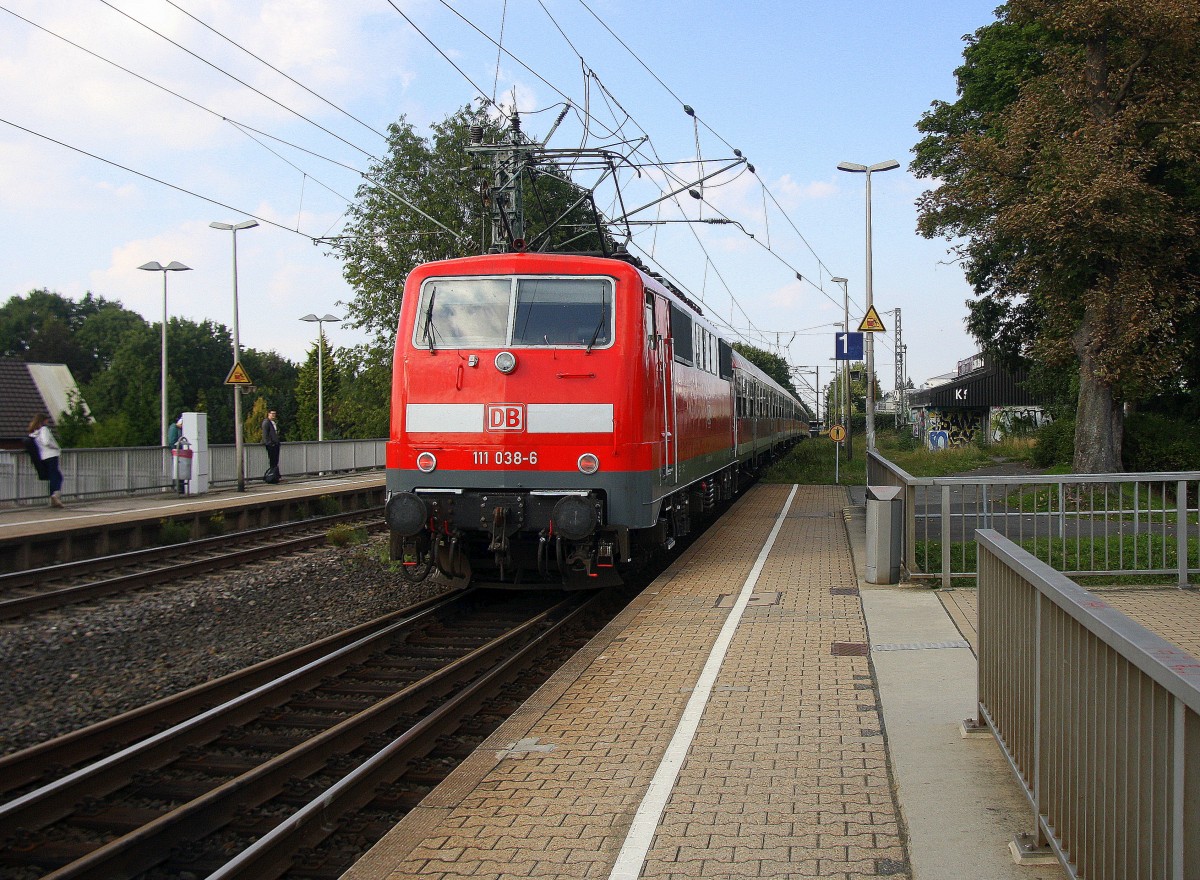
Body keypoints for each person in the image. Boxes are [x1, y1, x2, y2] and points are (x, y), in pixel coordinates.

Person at [28, 413, 64, 508]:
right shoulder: (44, 429)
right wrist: (56, 447)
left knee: (53, 475)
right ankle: (55, 495)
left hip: (43, 456)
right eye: (46, 420)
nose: (47, 422)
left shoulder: (34, 432)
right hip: (51, 455)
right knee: (57, 476)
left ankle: (53, 498)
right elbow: (46, 442)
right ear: (43, 420)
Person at [167, 415, 186, 494]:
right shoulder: (174, 428)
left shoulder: (176, 428)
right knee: (178, 470)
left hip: (179, 452)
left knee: (181, 469)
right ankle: (179, 487)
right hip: (177, 452)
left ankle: (180, 488)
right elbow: (172, 441)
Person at [262, 408, 282, 481]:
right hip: (271, 445)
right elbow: (265, 435)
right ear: (268, 414)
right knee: (272, 460)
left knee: (275, 461)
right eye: (272, 413)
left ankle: (275, 476)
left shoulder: (273, 422)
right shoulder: (266, 422)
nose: (274, 415)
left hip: (275, 444)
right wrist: (270, 443)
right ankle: (272, 476)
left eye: (274, 414)